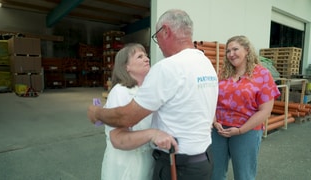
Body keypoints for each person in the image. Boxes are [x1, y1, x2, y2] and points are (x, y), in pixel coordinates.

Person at [88, 9, 218, 180]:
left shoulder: (168, 67)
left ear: (166, 31)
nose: (148, 57)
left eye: (157, 37)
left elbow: (126, 118)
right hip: (202, 161)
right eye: (139, 56)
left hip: (177, 165)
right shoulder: (205, 63)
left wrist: (97, 113)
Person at [211, 35, 281, 180]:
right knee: (214, 174)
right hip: (219, 130)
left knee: (244, 175)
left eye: (235, 49)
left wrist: (240, 130)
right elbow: (212, 100)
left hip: (246, 131)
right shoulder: (223, 72)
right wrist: (214, 121)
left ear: (247, 50)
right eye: (228, 51)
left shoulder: (262, 74)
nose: (231, 54)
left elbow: (265, 110)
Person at [100, 43, 169, 180]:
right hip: (126, 163)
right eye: (139, 56)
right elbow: (118, 138)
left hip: (147, 158)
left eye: (146, 55)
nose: (147, 59)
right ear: (126, 67)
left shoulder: (146, 91)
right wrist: (152, 134)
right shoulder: (120, 92)